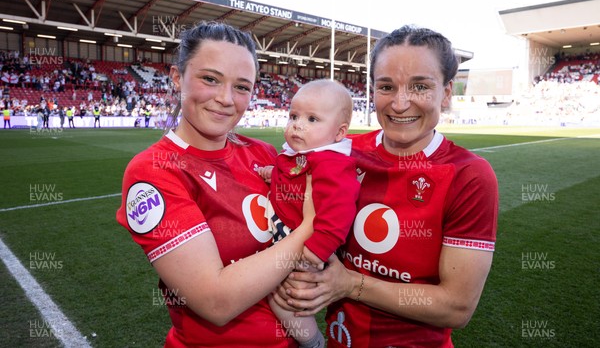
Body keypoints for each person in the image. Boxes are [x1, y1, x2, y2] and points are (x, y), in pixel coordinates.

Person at [275, 25, 499, 347]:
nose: (400, 103)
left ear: (447, 93)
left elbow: (456, 306)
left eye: (420, 86)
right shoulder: (340, 153)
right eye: (386, 87)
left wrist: (350, 284)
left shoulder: (469, 176)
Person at [116, 21, 315, 347]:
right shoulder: (152, 171)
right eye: (210, 79)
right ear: (177, 77)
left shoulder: (263, 154)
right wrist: (313, 228)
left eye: (241, 87)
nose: (226, 99)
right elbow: (215, 301)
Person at [257, 79, 360, 348]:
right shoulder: (301, 155)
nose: (298, 124)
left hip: (310, 248)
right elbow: (291, 175)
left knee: (287, 297)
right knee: (272, 290)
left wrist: (316, 251)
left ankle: (313, 342)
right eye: (294, 116)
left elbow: (340, 210)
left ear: (339, 133)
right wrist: (273, 174)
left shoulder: (332, 163)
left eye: (312, 119)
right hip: (290, 238)